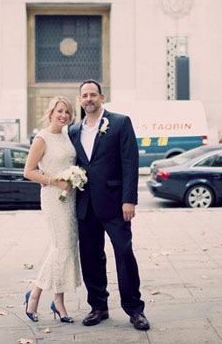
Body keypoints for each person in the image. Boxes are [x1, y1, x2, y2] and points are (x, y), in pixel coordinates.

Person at [67, 80, 149, 331]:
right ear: (80, 100)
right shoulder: (73, 130)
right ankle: (98, 307)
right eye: (84, 95)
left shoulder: (120, 123)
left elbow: (130, 162)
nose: (89, 99)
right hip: (85, 205)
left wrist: (129, 200)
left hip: (115, 205)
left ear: (101, 97)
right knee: (91, 257)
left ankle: (135, 310)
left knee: (124, 254)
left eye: (93, 94)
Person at [22, 96, 82, 323]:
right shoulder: (42, 138)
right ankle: (35, 294)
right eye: (60, 111)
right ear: (50, 113)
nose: (64, 115)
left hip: (71, 197)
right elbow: (28, 172)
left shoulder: (68, 135)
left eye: (67, 112)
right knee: (60, 247)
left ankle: (58, 300)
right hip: (53, 197)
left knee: (66, 248)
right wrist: (56, 181)